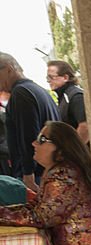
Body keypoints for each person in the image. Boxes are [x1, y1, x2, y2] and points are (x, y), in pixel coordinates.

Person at [0, 53, 59, 192]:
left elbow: (28, 135)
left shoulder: (21, 93)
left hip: (35, 175)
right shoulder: (38, 90)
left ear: (8, 69)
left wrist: (28, 173)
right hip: (46, 169)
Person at [46, 60, 88, 145]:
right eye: (47, 78)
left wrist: (72, 151)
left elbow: (85, 127)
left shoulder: (76, 96)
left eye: (51, 77)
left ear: (65, 77)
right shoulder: (64, 97)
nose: (48, 81)